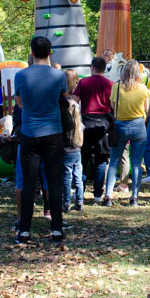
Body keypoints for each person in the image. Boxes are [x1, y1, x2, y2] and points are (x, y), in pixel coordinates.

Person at [14, 36, 69, 244]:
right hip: (54, 132)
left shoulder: (21, 75)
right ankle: (56, 229)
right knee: (54, 182)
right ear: (50, 51)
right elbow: (64, 96)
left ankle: (25, 230)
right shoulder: (58, 75)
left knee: (28, 183)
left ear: (31, 52)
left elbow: (19, 103)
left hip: (29, 132)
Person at [104, 59, 150, 206]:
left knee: (113, 162)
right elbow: (146, 109)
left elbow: (112, 105)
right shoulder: (144, 89)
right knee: (136, 164)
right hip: (138, 125)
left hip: (120, 126)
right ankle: (134, 197)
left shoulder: (116, 87)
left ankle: (108, 196)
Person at [71, 57, 114, 203]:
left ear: (92, 67)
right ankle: (97, 194)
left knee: (82, 158)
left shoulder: (84, 82)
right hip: (104, 124)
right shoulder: (110, 84)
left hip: (86, 123)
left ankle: (79, 192)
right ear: (104, 68)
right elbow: (114, 105)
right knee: (101, 160)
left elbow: (74, 101)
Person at [61, 79, 84, 212]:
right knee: (78, 177)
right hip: (77, 151)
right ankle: (80, 201)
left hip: (66, 152)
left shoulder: (65, 126)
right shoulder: (79, 124)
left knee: (67, 178)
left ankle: (66, 202)